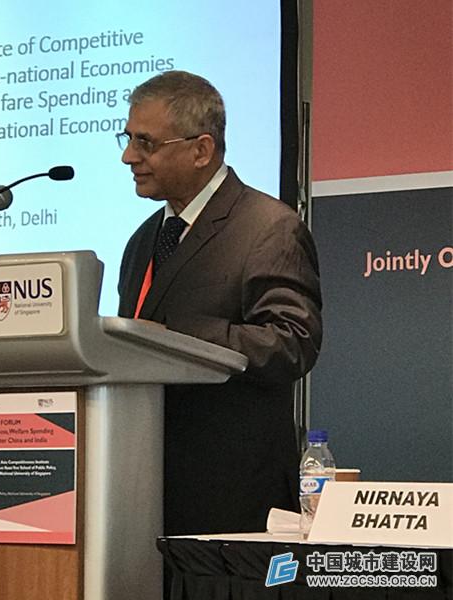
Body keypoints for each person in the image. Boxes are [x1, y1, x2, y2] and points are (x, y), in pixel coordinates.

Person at [117, 70, 322, 537]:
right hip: (145, 490)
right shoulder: (142, 239)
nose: (129, 156)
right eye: (127, 139)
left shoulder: (268, 227)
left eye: (146, 142)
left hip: (235, 500)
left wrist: (177, 337)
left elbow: (293, 343)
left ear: (201, 150)